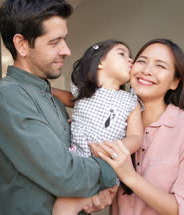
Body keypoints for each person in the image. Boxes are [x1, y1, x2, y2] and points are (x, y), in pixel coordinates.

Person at [0, 1, 119, 214]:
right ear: (22, 45)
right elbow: (66, 176)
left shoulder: (52, 99)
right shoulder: (8, 97)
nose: (66, 50)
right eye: (55, 42)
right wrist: (113, 168)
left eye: (64, 39)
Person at [90, 38, 184, 215]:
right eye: (141, 61)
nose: (147, 70)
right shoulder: (114, 123)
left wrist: (130, 177)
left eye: (161, 66)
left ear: (174, 82)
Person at [51, 39, 143, 215]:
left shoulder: (130, 101)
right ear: (100, 62)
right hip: (75, 163)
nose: (131, 59)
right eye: (122, 54)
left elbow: (136, 136)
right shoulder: (84, 92)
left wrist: (114, 150)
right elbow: (70, 99)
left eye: (130, 56)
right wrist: (46, 89)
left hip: (104, 168)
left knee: (64, 207)